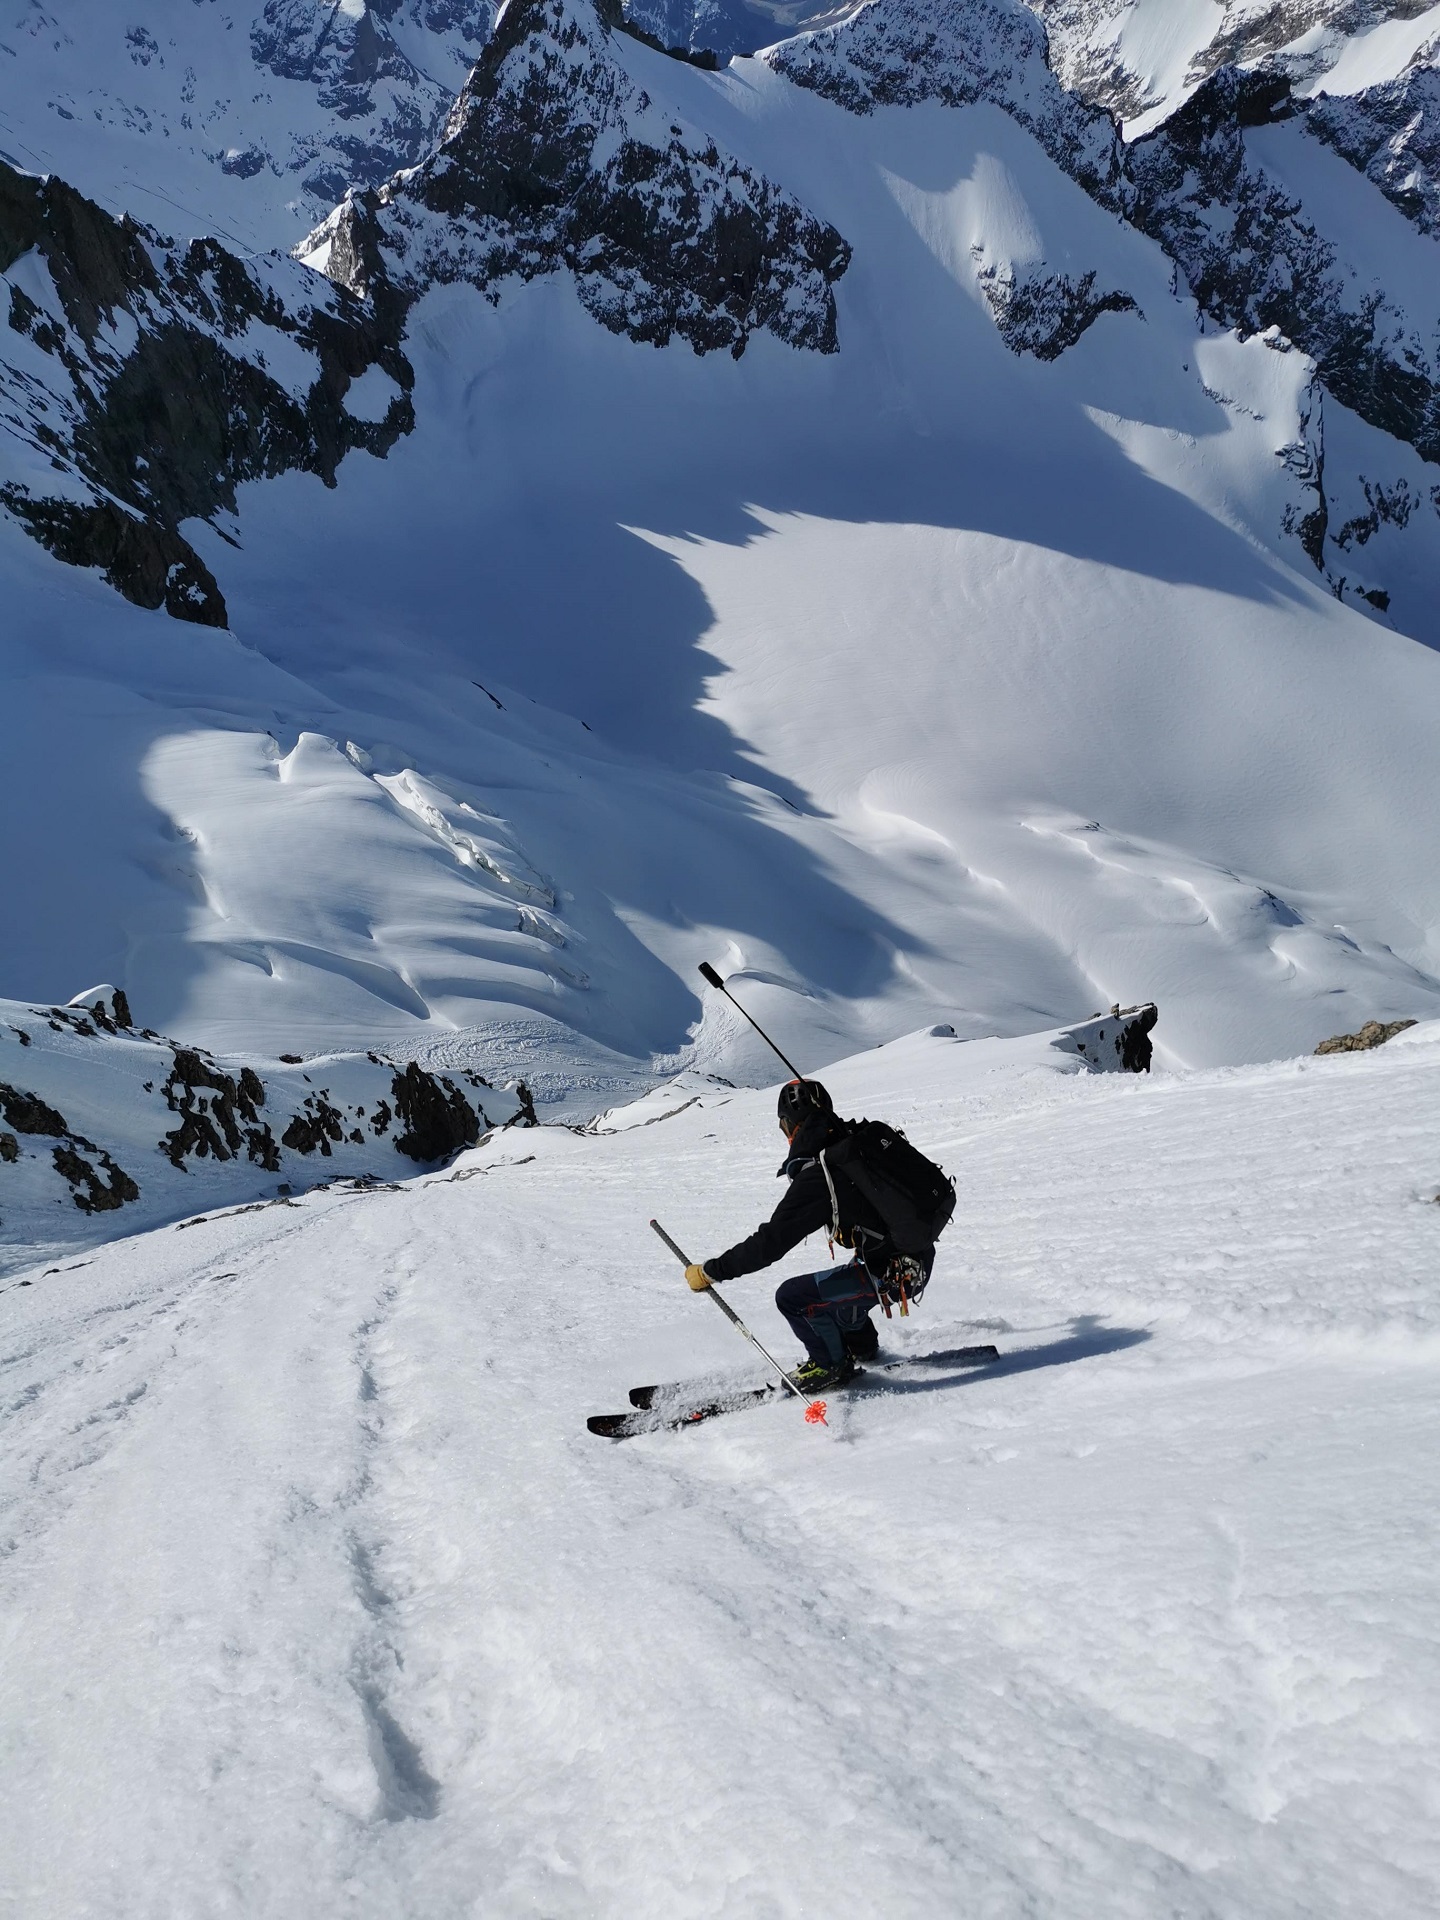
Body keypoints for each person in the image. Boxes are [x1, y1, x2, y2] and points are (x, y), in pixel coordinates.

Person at [684, 1078, 932, 1391]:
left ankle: (829, 1365)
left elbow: (771, 1243)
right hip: (915, 1258)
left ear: (790, 1126)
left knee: (793, 1297)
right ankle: (862, 1346)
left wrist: (709, 1272)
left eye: (782, 1127)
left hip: (894, 1274)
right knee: (844, 1288)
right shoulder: (856, 1145)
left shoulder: (822, 1172)